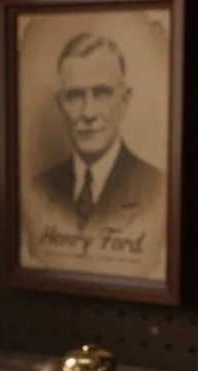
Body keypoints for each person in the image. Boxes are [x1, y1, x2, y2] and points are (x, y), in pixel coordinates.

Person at [32, 32, 164, 232]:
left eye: (102, 94)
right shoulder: (39, 190)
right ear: (60, 104)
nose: (88, 113)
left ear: (124, 100)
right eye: (74, 96)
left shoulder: (156, 190)